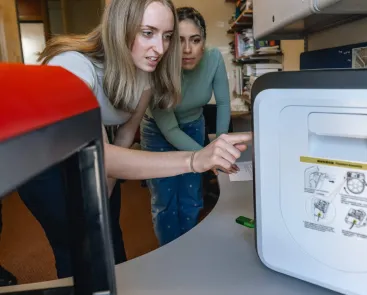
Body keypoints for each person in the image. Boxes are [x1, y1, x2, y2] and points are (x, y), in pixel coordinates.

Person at [16, 0, 250, 279]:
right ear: (119, 28)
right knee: (76, 247)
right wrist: (195, 159)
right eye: (148, 33)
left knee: (109, 232)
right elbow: (98, 155)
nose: (161, 49)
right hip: (45, 164)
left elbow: (125, 135)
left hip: (95, 149)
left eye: (166, 36)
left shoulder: (145, 74)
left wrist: (104, 193)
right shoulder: (73, 66)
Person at [140, 7, 235, 246]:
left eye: (195, 40)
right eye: (179, 41)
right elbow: (170, 129)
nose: (187, 49)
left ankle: (189, 248)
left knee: (192, 196)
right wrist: (207, 156)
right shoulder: (159, 68)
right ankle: (170, 255)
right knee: (166, 200)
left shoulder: (213, 59)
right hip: (158, 132)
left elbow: (223, 102)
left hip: (194, 125)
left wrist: (220, 145)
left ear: (204, 42)